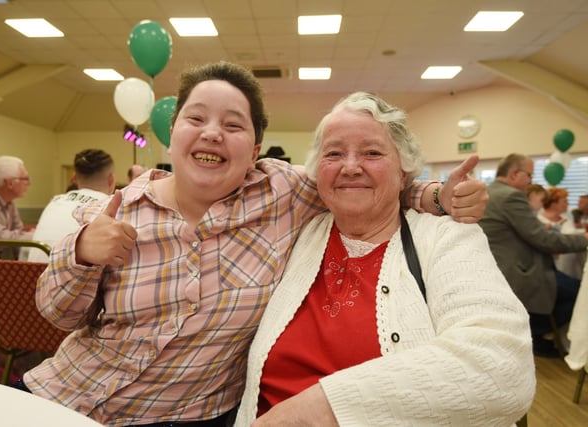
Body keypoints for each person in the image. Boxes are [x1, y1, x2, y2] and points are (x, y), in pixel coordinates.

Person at [20, 62, 488, 426]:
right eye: (195, 118)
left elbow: (358, 183)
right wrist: (81, 253)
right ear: (172, 133)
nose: (211, 133)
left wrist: (433, 195)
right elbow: (57, 315)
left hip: (187, 416)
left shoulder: (282, 193)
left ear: (255, 150)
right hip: (62, 397)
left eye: (233, 125)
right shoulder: (118, 210)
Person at [234, 92, 534, 426]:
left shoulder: (446, 238)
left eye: (372, 153)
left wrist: (321, 407)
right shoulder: (298, 231)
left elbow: (501, 365)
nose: (350, 166)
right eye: (334, 153)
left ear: (405, 171)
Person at [479, 153, 588, 358]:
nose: (531, 181)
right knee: (580, 293)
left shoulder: (490, 191)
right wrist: (585, 239)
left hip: (498, 269)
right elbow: (543, 240)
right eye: (529, 175)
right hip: (520, 272)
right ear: (514, 174)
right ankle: (535, 332)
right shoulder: (511, 196)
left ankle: (536, 333)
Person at [26, 149, 115, 262]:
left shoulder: (55, 201)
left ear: (74, 178)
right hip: (69, 277)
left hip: (32, 276)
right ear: (111, 180)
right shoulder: (110, 206)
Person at [538, 188, 586, 280]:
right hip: (554, 270)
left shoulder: (567, 217)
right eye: (564, 201)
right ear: (554, 203)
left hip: (573, 268)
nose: (567, 204)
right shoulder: (540, 221)